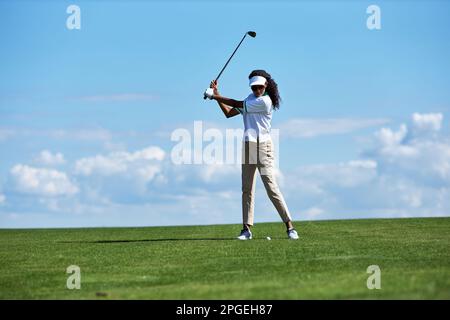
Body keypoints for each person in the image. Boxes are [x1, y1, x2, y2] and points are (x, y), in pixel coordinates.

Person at [204, 70, 299, 240]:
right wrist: (216, 96)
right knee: (246, 189)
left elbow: (235, 102)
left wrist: (214, 96)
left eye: (259, 87)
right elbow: (228, 112)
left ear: (265, 86)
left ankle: (290, 227)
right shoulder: (249, 99)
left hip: (263, 146)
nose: (256, 90)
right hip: (248, 145)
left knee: (271, 187)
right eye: (254, 87)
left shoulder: (266, 101)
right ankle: (246, 229)